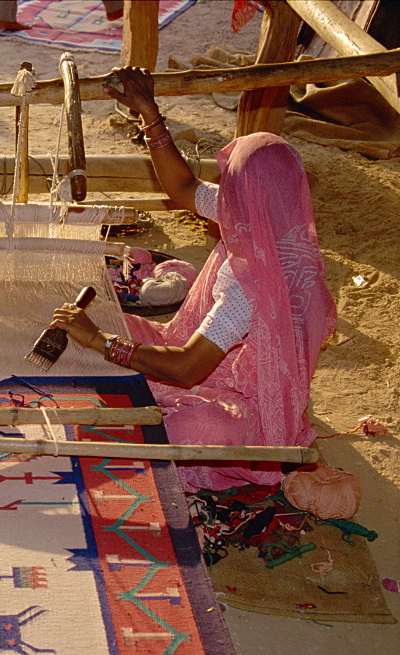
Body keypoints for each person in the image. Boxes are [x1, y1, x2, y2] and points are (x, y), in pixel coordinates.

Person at [48, 67, 337, 492]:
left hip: (245, 399)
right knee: (110, 315)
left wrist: (101, 343)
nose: (224, 190)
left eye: (231, 182)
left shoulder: (251, 285)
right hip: (214, 357)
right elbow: (184, 188)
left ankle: (149, 436)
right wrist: (149, 113)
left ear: (247, 191)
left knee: (198, 425)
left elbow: (185, 368)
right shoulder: (271, 218)